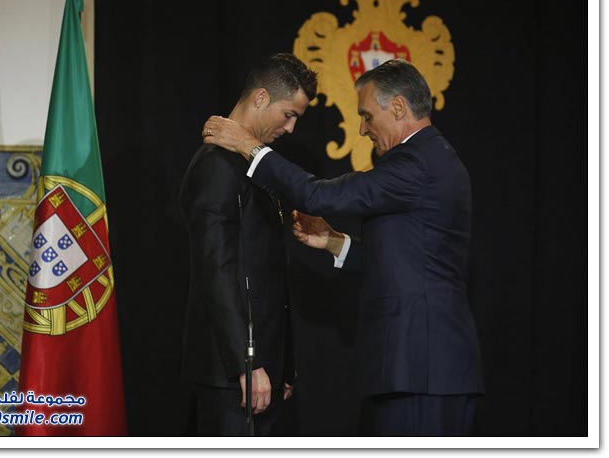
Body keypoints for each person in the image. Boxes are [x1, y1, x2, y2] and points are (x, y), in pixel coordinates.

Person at [202, 58, 484, 436]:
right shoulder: (429, 159)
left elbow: (318, 196)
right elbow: (405, 259)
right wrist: (334, 242)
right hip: (418, 369)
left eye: (367, 116)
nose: (363, 129)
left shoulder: (418, 162)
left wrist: (247, 145)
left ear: (397, 107)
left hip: (422, 369)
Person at [179, 53, 318, 436]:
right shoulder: (216, 165)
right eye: (288, 115)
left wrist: (281, 363)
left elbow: (266, 273)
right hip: (233, 374)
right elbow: (218, 270)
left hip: (259, 370)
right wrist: (247, 363)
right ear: (260, 97)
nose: (291, 128)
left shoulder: (249, 164)